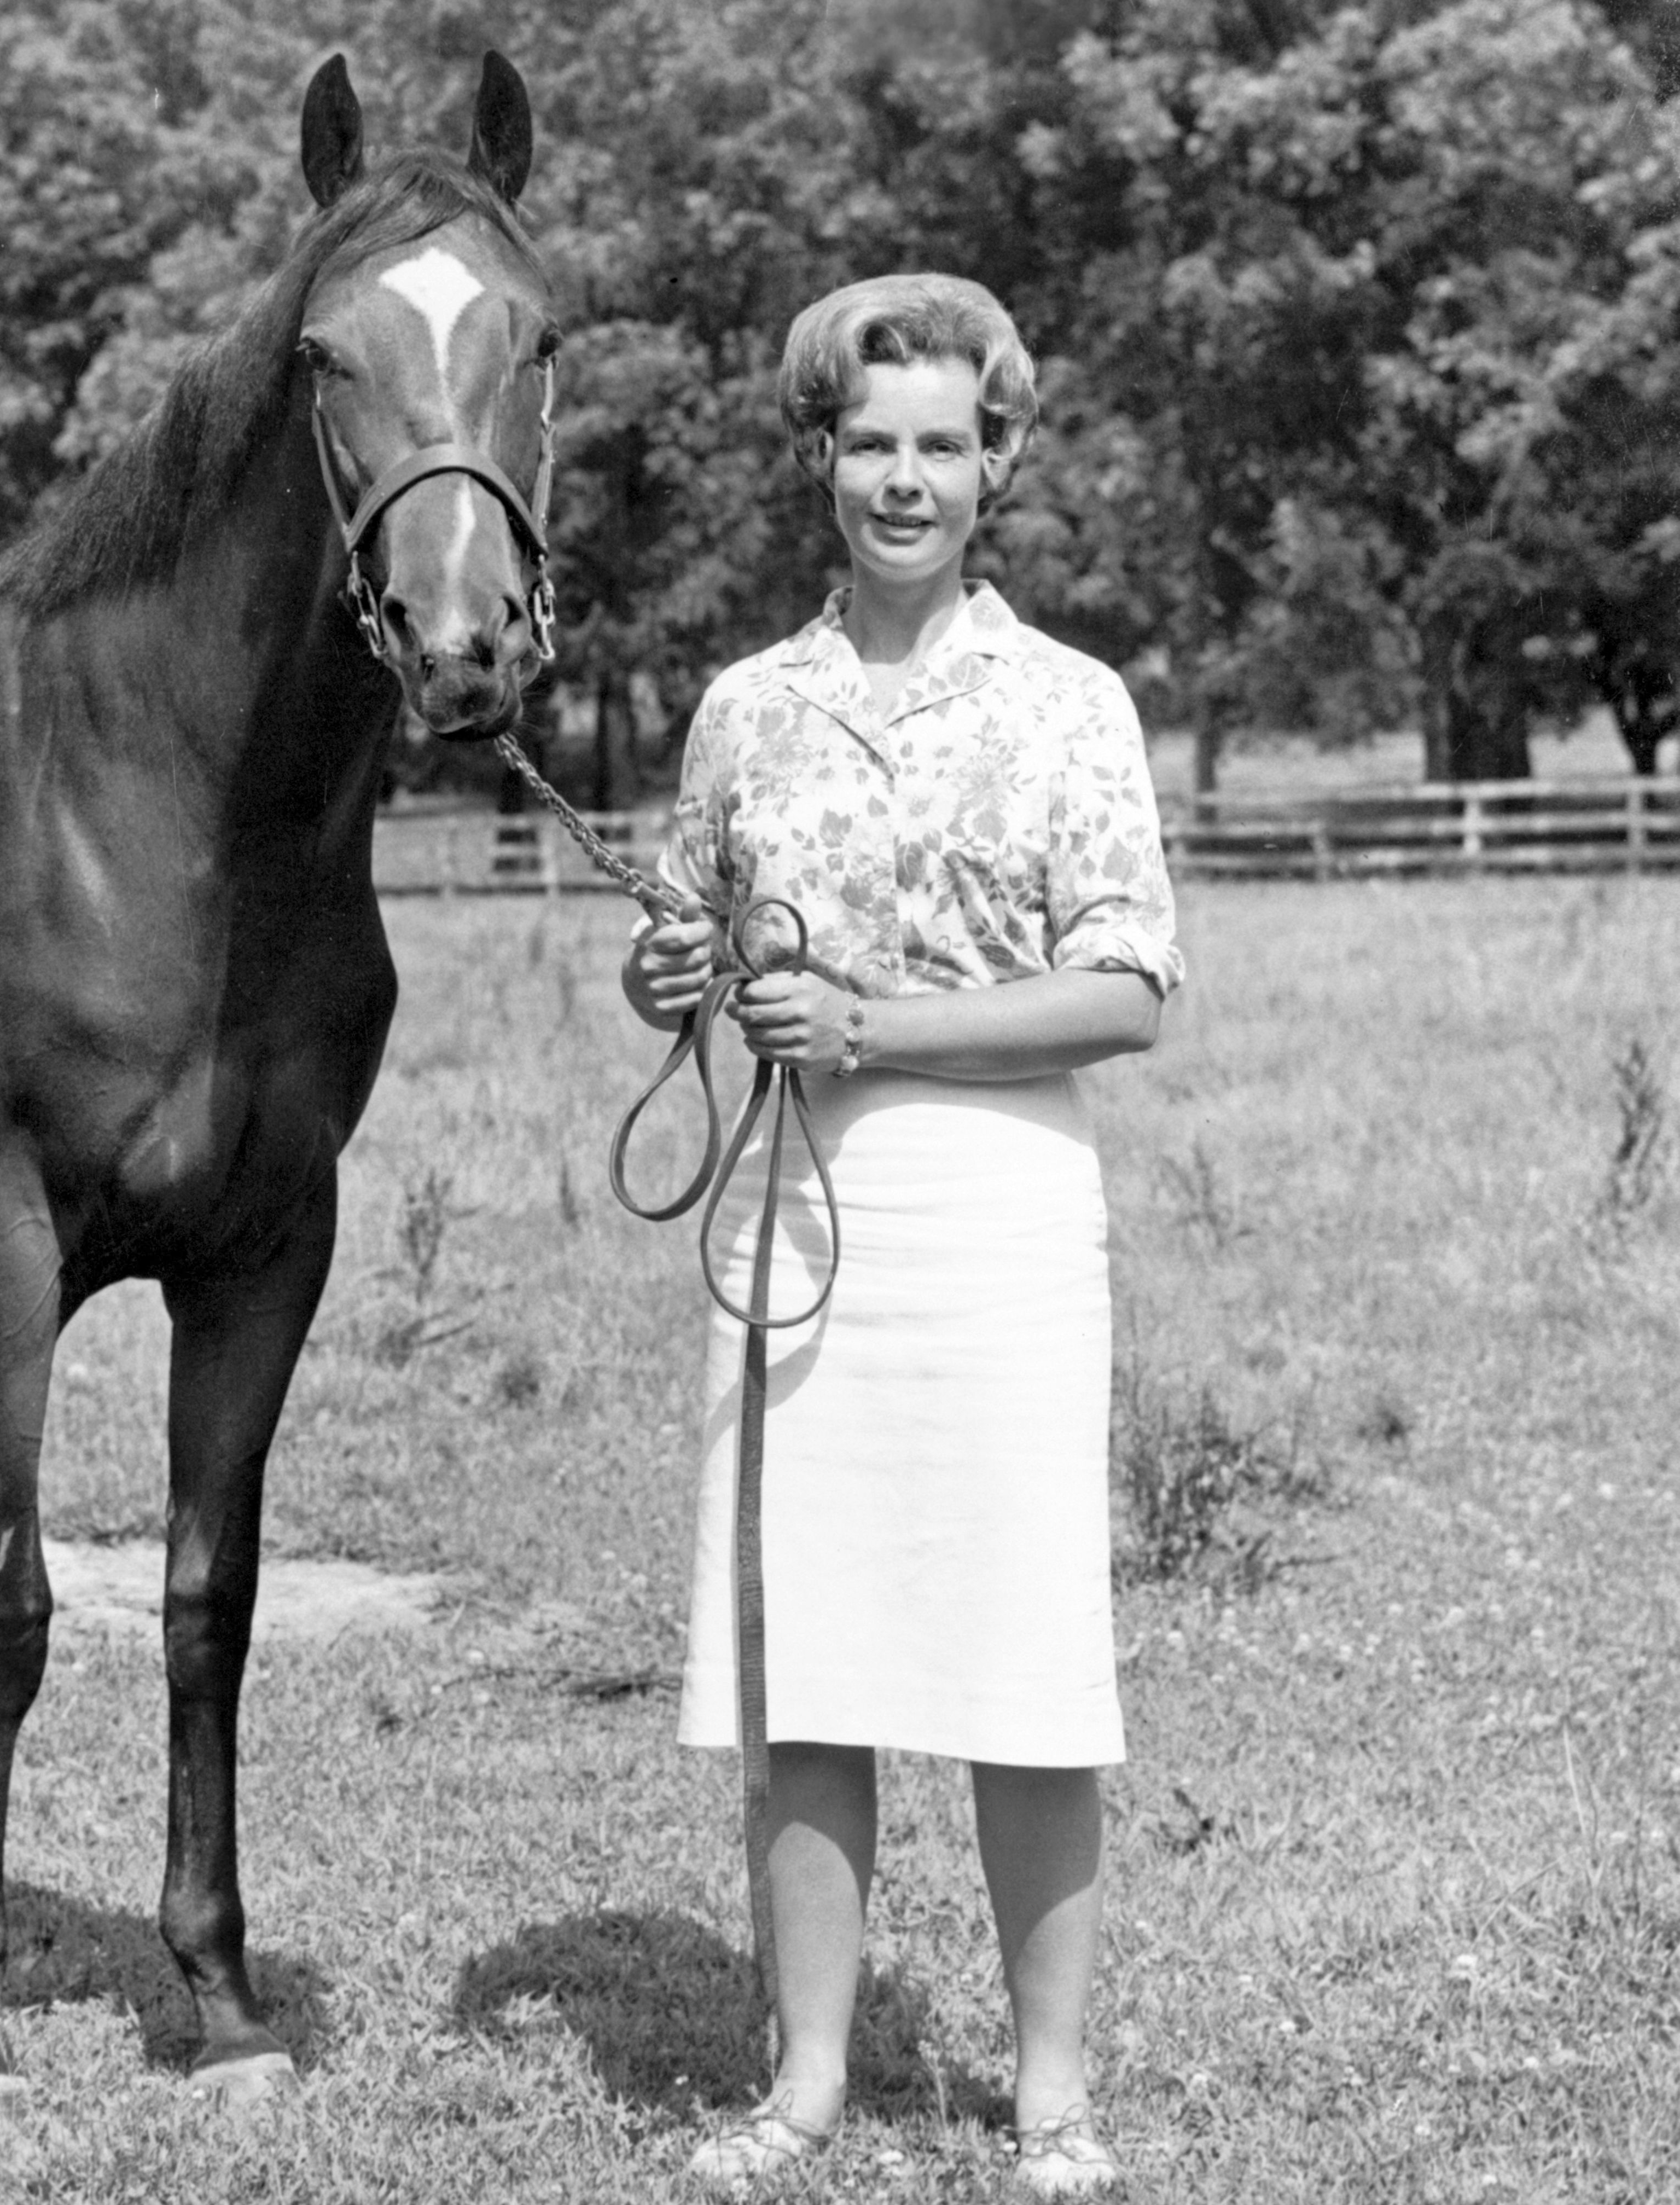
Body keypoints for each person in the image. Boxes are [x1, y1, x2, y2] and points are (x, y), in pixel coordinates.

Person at [620, 272, 1182, 2198]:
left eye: (944, 443)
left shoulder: (1071, 706)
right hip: (793, 1216)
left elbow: (1125, 989)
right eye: (872, 442)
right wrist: (675, 965)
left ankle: (1052, 2097)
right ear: (822, 459)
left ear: (997, 461)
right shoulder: (745, 711)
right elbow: (671, 956)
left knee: (1027, 1664)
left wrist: (879, 1026)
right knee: (817, 1663)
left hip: (1001, 1213)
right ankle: (803, 2086)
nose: (906, 478)